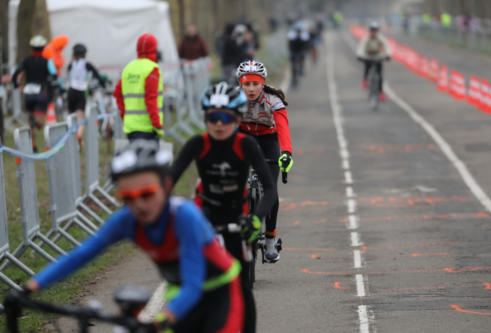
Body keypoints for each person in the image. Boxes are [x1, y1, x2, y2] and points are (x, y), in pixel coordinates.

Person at [24, 140, 244, 332]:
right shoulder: (127, 220)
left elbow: (193, 285)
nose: (139, 204)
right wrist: (32, 286)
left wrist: (160, 321)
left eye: (147, 194)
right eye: (127, 197)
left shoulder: (185, 217)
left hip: (220, 292)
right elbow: (82, 254)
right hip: (179, 293)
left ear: (166, 186)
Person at [170, 81, 277, 333]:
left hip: (236, 219)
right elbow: (168, 181)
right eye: (212, 117)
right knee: (190, 283)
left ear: (238, 118)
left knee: (241, 286)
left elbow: (270, 189)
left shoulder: (245, 144)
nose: (218, 123)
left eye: (225, 117)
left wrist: (255, 219)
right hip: (203, 216)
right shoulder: (197, 143)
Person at [236, 60, 293, 263]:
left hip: (269, 141)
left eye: (255, 84)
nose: (251, 89)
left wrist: (286, 153)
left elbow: (283, 129)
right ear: (240, 84)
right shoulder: (234, 101)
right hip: (245, 139)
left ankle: (270, 237)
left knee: (271, 191)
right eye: (246, 84)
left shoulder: (273, 101)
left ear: (263, 84)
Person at [113, 33, 164, 143]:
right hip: (148, 128)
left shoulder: (128, 67)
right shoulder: (152, 69)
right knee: (149, 160)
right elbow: (151, 99)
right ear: (154, 48)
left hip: (131, 127)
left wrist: (125, 115)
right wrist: (157, 124)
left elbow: (117, 93)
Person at [11, 35, 58, 152]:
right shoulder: (47, 62)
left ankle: (34, 145)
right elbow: (54, 76)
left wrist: (16, 85)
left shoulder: (26, 61)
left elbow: (16, 73)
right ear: (43, 48)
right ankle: (35, 121)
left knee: (30, 120)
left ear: (32, 48)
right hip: (41, 93)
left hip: (28, 93)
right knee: (40, 124)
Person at [67, 43, 106, 148]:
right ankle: (78, 135)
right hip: (81, 92)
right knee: (81, 118)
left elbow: (69, 75)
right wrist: (104, 84)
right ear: (84, 54)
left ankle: (72, 138)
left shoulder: (71, 65)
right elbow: (97, 76)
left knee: (71, 117)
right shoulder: (86, 64)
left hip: (70, 92)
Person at [356, 21, 391, 101]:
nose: (373, 32)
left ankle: (381, 92)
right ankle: (365, 79)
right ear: (370, 30)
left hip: (377, 57)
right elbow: (361, 47)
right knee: (367, 67)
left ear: (377, 31)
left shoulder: (380, 38)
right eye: (372, 30)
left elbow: (387, 46)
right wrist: (359, 55)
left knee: (380, 76)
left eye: (375, 30)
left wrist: (387, 55)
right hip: (368, 56)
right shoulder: (366, 38)